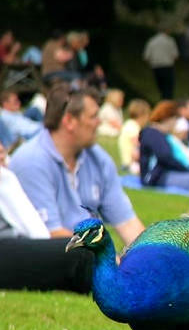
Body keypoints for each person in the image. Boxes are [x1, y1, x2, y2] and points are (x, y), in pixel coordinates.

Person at [8, 84, 144, 243]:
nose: (99, 122)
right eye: (93, 117)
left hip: (84, 258)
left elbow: (127, 223)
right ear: (69, 121)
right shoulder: (31, 162)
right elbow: (49, 235)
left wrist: (152, 256)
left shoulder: (98, 158)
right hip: (52, 261)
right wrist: (109, 260)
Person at [0, 141, 95, 293]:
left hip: (13, 241)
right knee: (83, 254)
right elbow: (42, 232)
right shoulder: (32, 159)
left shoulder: (97, 159)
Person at [138, 100, 189, 193]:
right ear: (169, 118)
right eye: (177, 119)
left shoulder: (160, 135)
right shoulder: (153, 134)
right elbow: (165, 157)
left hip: (165, 174)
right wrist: (186, 169)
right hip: (157, 178)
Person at [143, 26, 180, 100]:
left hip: (156, 67)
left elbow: (146, 56)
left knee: (161, 87)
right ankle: (167, 102)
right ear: (167, 31)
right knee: (168, 88)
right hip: (168, 67)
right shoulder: (170, 40)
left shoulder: (152, 41)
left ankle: (163, 101)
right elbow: (176, 56)